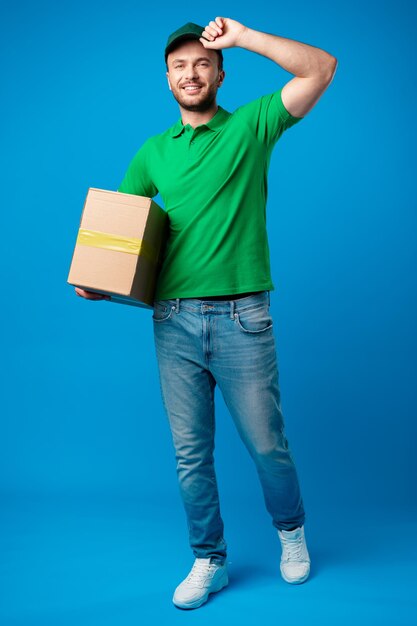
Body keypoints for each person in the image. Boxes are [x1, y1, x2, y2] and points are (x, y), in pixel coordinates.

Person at [75, 17, 337, 610]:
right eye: (178, 67)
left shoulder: (251, 127)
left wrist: (242, 35)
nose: (190, 74)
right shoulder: (152, 153)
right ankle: (208, 559)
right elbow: (120, 235)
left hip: (244, 318)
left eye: (201, 63)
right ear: (167, 80)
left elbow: (321, 67)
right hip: (173, 321)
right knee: (190, 453)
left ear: (219, 72)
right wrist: (96, 278)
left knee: (268, 444)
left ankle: (291, 536)